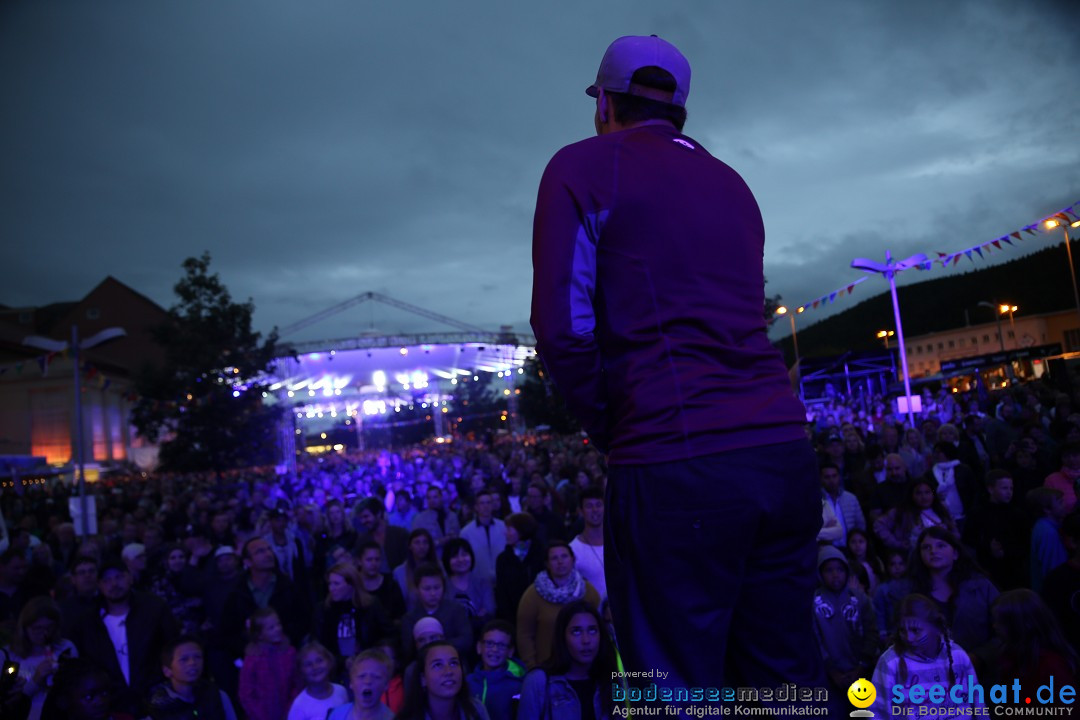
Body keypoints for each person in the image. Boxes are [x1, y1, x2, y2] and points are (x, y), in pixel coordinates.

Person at [530, 34, 821, 689]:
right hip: (783, 455)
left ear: (605, 101)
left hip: (674, 461)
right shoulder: (733, 184)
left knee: (673, 690)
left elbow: (562, 328)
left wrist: (614, 426)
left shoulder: (580, 168)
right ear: (679, 108)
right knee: (783, 682)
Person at [71, 557, 177, 716]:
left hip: (155, 697)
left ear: (130, 578)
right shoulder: (89, 622)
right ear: (99, 585)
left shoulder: (154, 609)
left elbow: (172, 647)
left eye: (119, 577)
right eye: (107, 580)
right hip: (111, 704)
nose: (113, 584)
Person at [867, 594, 983, 717]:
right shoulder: (891, 662)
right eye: (902, 630)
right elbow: (877, 712)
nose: (909, 638)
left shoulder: (958, 656)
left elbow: (978, 704)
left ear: (936, 628)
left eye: (915, 630)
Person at [517, 601, 616, 720]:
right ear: (562, 637)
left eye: (592, 630)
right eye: (576, 631)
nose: (586, 640)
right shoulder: (538, 681)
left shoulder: (608, 678)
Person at [516, 541, 601, 670]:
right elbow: (525, 635)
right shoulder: (532, 595)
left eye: (564, 556)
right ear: (547, 564)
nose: (560, 561)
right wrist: (532, 666)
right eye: (554, 558)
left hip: (584, 668)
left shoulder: (587, 591)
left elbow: (600, 628)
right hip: (547, 666)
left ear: (573, 560)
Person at [811, 548, 877, 703]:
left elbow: (871, 632)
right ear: (820, 573)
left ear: (847, 571)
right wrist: (832, 671)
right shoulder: (814, 602)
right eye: (829, 570)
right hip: (827, 673)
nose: (835, 575)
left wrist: (861, 667)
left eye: (840, 569)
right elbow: (814, 637)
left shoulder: (860, 599)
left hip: (860, 669)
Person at [4, 596, 78, 720]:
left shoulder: (66, 648)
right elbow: (8, 703)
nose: (45, 633)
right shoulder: (8, 655)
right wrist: (36, 679)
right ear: (25, 627)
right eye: (37, 628)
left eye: (49, 627)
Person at [992, 590, 1078, 695]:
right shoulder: (1009, 657)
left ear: (1021, 624)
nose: (994, 626)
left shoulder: (1052, 666)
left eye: (1001, 622)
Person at [314, 562, 391, 673]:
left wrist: (371, 654)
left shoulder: (371, 605)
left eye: (336, 584)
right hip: (335, 668)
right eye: (330, 584)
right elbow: (319, 645)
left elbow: (388, 634)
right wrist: (342, 661)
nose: (331, 588)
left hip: (368, 662)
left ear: (351, 585)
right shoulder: (323, 610)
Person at [146, 636, 237, 720]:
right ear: (167, 670)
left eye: (198, 657)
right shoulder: (157, 707)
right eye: (184, 659)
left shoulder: (217, 696)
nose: (192, 663)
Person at [395, 641, 489, 720]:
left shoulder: (477, 710)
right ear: (423, 678)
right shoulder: (408, 717)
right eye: (438, 665)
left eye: (453, 663)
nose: (448, 671)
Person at [238, 608, 301, 720]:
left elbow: (296, 683)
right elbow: (246, 694)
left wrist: (290, 710)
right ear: (260, 635)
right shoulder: (252, 658)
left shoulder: (290, 652)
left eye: (278, 624)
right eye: (271, 628)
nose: (278, 629)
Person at [400, 563, 472, 661]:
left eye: (437, 587)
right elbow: (408, 650)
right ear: (417, 590)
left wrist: (437, 646)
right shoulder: (410, 618)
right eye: (427, 589)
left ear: (444, 587)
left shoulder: (456, 610)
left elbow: (466, 640)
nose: (433, 593)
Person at [466, 620, 524, 720]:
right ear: (479, 647)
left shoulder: (517, 686)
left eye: (501, 645)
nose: (495, 649)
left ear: (510, 651)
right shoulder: (467, 682)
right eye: (489, 643)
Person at [494, 513, 544, 624]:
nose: (505, 533)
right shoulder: (503, 559)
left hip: (540, 616)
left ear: (522, 530)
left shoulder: (541, 554)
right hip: (512, 618)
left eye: (509, 529)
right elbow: (501, 593)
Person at [286, 642, 349, 720]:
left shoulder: (341, 691)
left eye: (319, 661)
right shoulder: (299, 706)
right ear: (301, 671)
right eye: (308, 664)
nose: (315, 667)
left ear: (329, 662)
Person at [442, 539, 494, 632]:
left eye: (464, 554)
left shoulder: (483, 583)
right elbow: (444, 617)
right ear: (447, 560)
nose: (460, 559)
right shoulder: (442, 586)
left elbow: (489, 611)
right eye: (454, 556)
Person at [326, 649, 395, 720]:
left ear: (386, 684)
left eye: (376, 677)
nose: (368, 681)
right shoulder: (337, 715)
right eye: (361, 676)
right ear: (351, 682)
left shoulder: (391, 718)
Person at [458, 490, 506, 589]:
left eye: (488, 503)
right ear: (476, 507)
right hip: (478, 582)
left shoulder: (504, 527)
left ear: (493, 505)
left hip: (503, 580)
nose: (486, 506)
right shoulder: (466, 532)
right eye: (482, 503)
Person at [567, 487, 606, 601]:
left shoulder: (619, 543)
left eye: (599, 505)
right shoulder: (573, 549)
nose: (595, 510)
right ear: (581, 511)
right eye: (589, 506)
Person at [1027, 487, 1068, 593]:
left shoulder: (1042, 526)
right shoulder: (1048, 532)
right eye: (1060, 502)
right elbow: (1053, 570)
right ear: (1046, 509)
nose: (1065, 505)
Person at [356, 542, 406, 625]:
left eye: (377, 559)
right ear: (359, 561)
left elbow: (400, 615)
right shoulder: (353, 584)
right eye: (369, 559)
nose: (373, 563)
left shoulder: (390, 584)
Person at [392, 529, 438, 604]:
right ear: (410, 546)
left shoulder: (439, 567)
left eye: (425, 542)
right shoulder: (399, 572)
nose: (421, 546)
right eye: (417, 542)